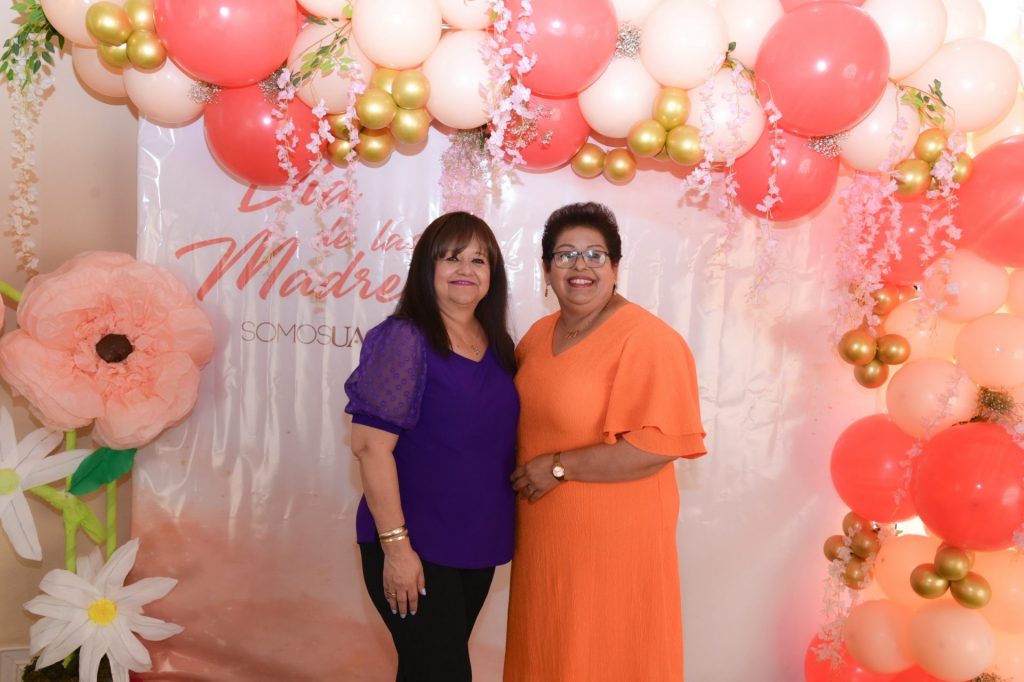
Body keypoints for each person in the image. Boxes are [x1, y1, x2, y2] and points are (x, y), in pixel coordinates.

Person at [504, 202, 707, 682]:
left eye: (595, 254)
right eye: (565, 255)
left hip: (614, 545)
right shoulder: (537, 336)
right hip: (545, 539)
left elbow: (654, 447)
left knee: (605, 656)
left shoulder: (648, 339)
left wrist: (557, 467)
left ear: (615, 267)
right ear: (546, 269)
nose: (580, 266)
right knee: (548, 652)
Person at [344, 211, 518, 681]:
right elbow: (370, 448)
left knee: (426, 671)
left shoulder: (499, 345)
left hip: (477, 543)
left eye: (479, 260)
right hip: (414, 544)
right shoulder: (404, 339)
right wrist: (397, 550)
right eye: (451, 257)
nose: (466, 269)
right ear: (427, 267)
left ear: (493, 274)